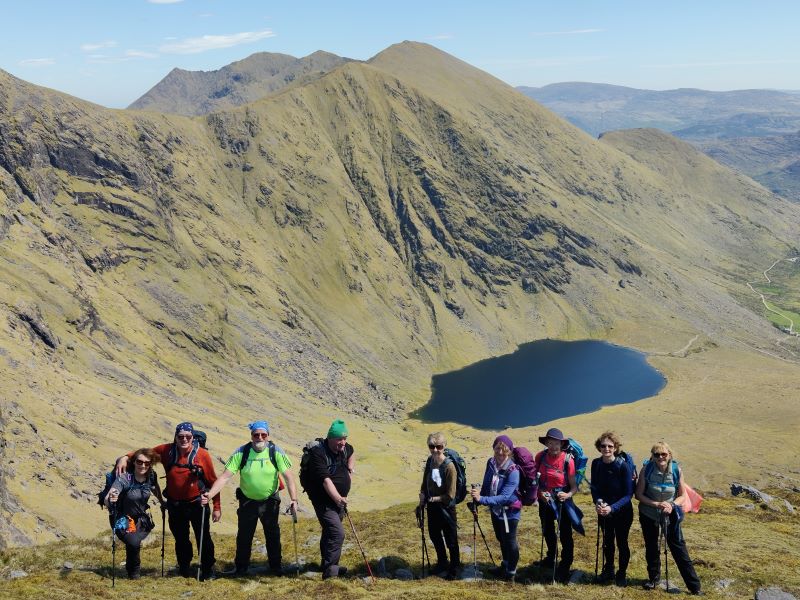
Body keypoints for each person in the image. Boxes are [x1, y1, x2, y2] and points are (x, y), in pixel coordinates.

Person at [116, 422, 221, 580]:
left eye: (188, 437)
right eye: (180, 437)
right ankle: (184, 567)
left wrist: (217, 506)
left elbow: (213, 480)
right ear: (176, 437)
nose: (184, 439)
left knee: (203, 537)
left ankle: (207, 569)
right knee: (180, 538)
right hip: (175, 504)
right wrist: (125, 457)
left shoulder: (202, 455)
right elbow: (145, 454)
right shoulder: (166, 450)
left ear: (193, 438)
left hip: (198, 503)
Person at [201, 420, 298, 576]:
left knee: (272, 534)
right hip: (247, 502)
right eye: (256, 435)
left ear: (268, 436)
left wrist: (294, 499)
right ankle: (241, 568)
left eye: (263, 435)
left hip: (270, 501)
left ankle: (276, 567)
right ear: (251, 436)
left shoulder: (275, 451)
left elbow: (288, 476)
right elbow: (225, 477)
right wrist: (210, 495)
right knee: (244, 536)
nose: (260, 437)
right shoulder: (242, 452)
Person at [635, 442, 703, 595]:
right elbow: (639, 494)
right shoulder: (646, 469)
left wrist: (671, 505)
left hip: (670, 514)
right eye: (656, 454)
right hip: (648, 513)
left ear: (669, 455)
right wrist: (657, 504)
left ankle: (694, 586)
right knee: (652, 547)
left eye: (663, 454)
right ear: (652, 456)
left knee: (678, 548)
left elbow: (683, 495)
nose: (660, 457)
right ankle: (654, 579)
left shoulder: (676, 470)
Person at [304, 419, 354, 579]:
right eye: (340, 439)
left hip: (338, 501)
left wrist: (350, 471)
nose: (343, 443)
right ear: (330, 438)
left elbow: (353, 452)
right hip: (323, 501)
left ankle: (326, 565)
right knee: (337, 533)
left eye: (345, 438)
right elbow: (325, 480)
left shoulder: (345, 449)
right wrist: (338, 498)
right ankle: (331, 572)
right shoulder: (318, 454)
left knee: (329, 532)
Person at [106, 448, 163, 579]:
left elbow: (155, 488)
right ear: (134, 462)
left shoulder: (151, 476)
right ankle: (135, 573)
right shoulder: (125, 478)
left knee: (134, 543)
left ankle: (132, 571)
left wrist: (162, 501)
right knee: (133, 542)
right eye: (139, 462)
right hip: (121, 519)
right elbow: (111, 494)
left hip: (141, 519)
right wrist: (111, 499)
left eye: (147, 463)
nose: (143, 465)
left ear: (150, 464)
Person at [470, 434, 521, 582]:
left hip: (509, 512)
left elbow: (505, 497)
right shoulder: (491, 463)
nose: (500, 452)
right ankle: (505, 565)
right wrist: (478, 497)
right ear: (493, 448)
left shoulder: (513, 471)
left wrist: (482, 499)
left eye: (504, 450)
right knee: (501, 538)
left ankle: (511, 572)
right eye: (498, 448)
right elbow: (487, 484)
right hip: (495, 509)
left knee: (510, 541)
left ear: (509, 451)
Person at [590, 431, 634, 587]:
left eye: (610, 446)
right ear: (599, 447)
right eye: (603, 446)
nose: (606, 449)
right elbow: (594, 487)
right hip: (604, 510)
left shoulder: (623, 466)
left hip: (622, 512)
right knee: (607, 541)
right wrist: (598, 502)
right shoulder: (596, 464)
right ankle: (608, 570)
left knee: (622, 542)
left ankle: (621, 573)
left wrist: (612, 508)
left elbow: (629, 494)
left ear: (615, 448)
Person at [534, 427, 578, 583]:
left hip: (562, 502)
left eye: (556, 443)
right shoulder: (540, 457)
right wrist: (541, 493)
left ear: (561, 444)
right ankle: (551, 557)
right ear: (546, 443)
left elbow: (574, 486)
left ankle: (565, 565)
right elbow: (536, 481)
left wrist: (567, 495)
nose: (553, 446)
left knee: (565, 534)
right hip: (544, 502)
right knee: (547, 530)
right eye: (550, 442)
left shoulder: (568, 460)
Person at [418, 432, 460, 579]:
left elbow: (450, 496)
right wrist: (422, 495)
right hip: (432, 507)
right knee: (435, 535)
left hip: (447, 509)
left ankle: (454, 568)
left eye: (439, 447)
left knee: (451, 539)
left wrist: (433, 499)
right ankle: (442, 562)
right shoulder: (430, 461)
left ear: (444, 446)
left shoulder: (450, 467)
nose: (435, 450)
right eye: (431, 446)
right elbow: (425, 483)